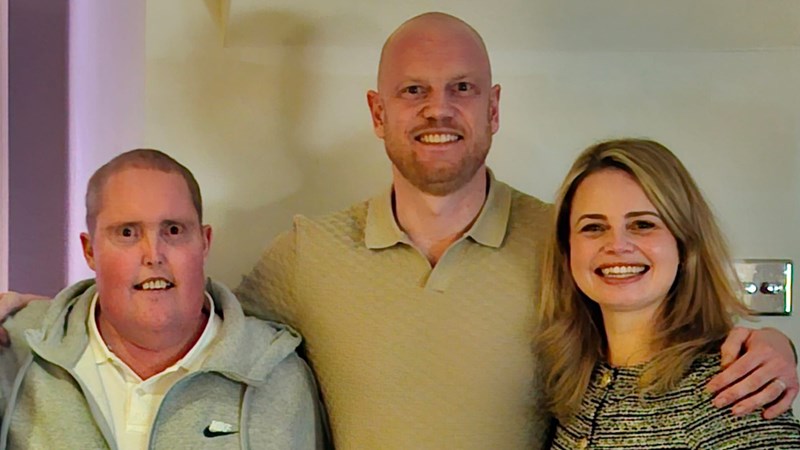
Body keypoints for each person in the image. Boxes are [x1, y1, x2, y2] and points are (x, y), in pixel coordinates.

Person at [234, 12, 799, 449]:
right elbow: (207, 343)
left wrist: (773, 348)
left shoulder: (564, 241)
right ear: (379, 113)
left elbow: (656, 326)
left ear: (494, 108)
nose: (438, 110)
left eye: (462, 88)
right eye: (413, 91)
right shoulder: (307, 255)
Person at [0, 149, 322, 449]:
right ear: (90, 251)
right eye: (127, 233)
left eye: (173, 230)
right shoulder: (15, 349)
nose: (153, 255)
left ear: (204, 243)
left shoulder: (278, 376)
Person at [537, 138, 800, 449]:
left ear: (684, 245)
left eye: (642, 224)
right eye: (593, 227)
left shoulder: (733, 389)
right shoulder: (574, 382)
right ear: (567, 249)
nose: (617, 245)